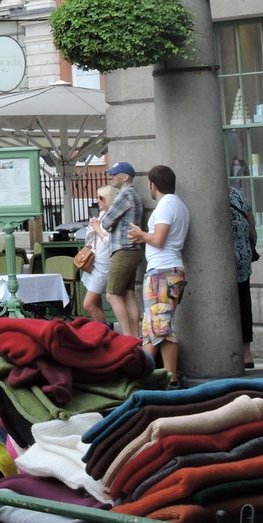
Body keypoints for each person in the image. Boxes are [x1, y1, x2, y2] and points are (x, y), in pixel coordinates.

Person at [129, 164, 190, 386]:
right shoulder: (179, 205)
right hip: (169, 270)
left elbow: (159, 239)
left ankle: (171, 380)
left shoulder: (165, 206)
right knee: (152, 327)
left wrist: (140, 234)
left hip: (162, 272)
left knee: (162, 328)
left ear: (152, 185)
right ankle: (147, 376)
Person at [99, 161, 146, 341]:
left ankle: (128, 338)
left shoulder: (124, 195)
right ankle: (136, 337)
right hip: (133, 250)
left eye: (114, 174)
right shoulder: (133, 194)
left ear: (125, 177)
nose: (111, 177)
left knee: (112, 295)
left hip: (123, 250)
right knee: (128, 295)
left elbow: (106, 222)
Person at [229, 183, 258, 368]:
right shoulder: (238, 194)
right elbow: (252, 227)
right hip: (244, 255)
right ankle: (247, 354)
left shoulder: (210, 196)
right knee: (244, 302)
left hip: (225, 258)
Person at [80, 185, 116, 323]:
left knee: (88, 304)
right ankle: (102, 331)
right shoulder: (101, 215)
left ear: (108, 199)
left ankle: (105, 331)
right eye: (97, 197)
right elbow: (90, 239)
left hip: (103, 264)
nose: (98, 200)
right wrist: (92, 227)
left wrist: (96, 228)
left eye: (101, 198)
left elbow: (109, 241)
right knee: (95, 303)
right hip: (95, 261)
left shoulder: (112, 217)